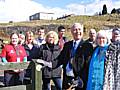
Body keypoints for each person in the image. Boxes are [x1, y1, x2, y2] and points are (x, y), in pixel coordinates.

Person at [52, 23, 93, 90]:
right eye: (75, 30)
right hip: (67, 80)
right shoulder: (67, 45)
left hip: (79, 81)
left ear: (82, 31)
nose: (77, 32)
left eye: (79, 29)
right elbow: (59, 59)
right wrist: (49, 64)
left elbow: (87, 66)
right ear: (71, 32)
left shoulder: (87, 46)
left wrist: (80, 80)